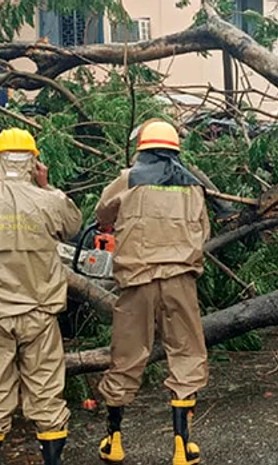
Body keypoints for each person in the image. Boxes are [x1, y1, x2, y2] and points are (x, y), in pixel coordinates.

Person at [0, 127, 83, 465]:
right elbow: (73, 225)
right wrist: (46, 185)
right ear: (35, 164)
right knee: (48, 398)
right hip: (40, 315)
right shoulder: (52, 201)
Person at [94, 120, 211, 465]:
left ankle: (113, 441)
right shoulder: (193, 185)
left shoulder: (129, 177)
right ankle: (181, 447)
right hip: (181, 281)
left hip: (137, 281)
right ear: (175, 149)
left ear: (142, 148)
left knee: (126, 357)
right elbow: (202, 231)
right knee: (187, 355)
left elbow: (103, 213)